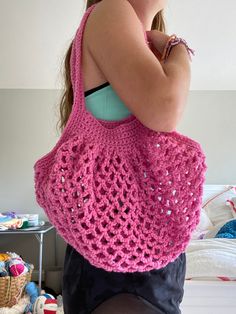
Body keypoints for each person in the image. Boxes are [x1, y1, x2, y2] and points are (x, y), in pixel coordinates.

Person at [59, 0, 191, 313]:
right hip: (118, 257)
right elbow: (165, 108)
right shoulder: (111, 10)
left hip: (128, 250)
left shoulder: (130, 35)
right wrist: (179, 49)